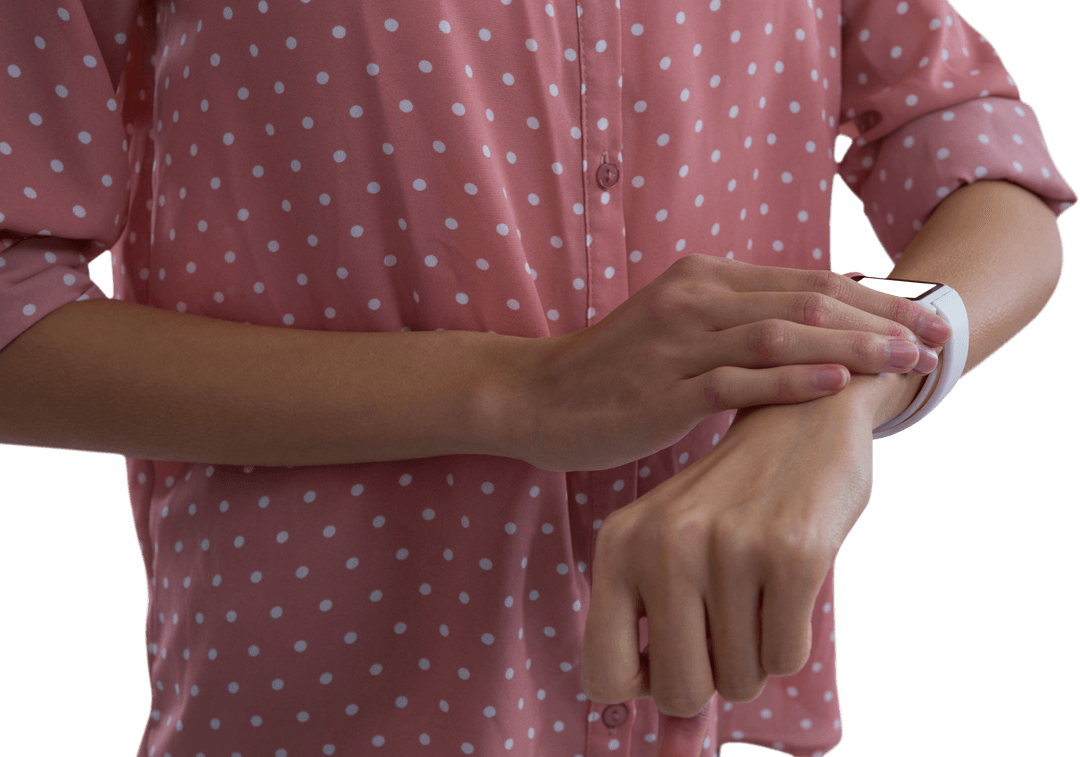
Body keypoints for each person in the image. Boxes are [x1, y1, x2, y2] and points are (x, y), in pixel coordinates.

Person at [0, 2, 1073, 756]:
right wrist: (522, 391)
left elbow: (990, 179)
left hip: (694, 706)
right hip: (325, 716)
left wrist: (848, 387)